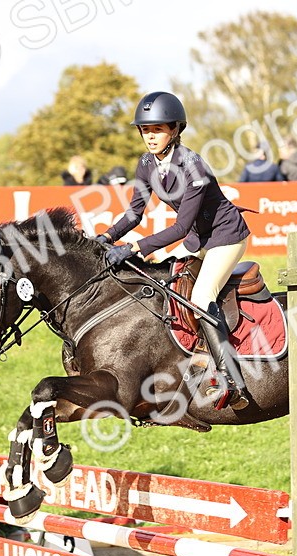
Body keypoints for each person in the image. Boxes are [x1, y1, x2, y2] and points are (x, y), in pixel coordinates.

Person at [96, 91, 252, 411]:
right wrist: (106, 238)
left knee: (201, 296)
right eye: (145, 130)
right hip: (199, 239)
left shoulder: (193, 167)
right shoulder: (145, 163)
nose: (150, 137)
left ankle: (231, 379)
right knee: (167, 287)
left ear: (175, 130)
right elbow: (134, 213)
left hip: (225, 236)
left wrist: (134, 247)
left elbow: (180, 228)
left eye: (157, 130)